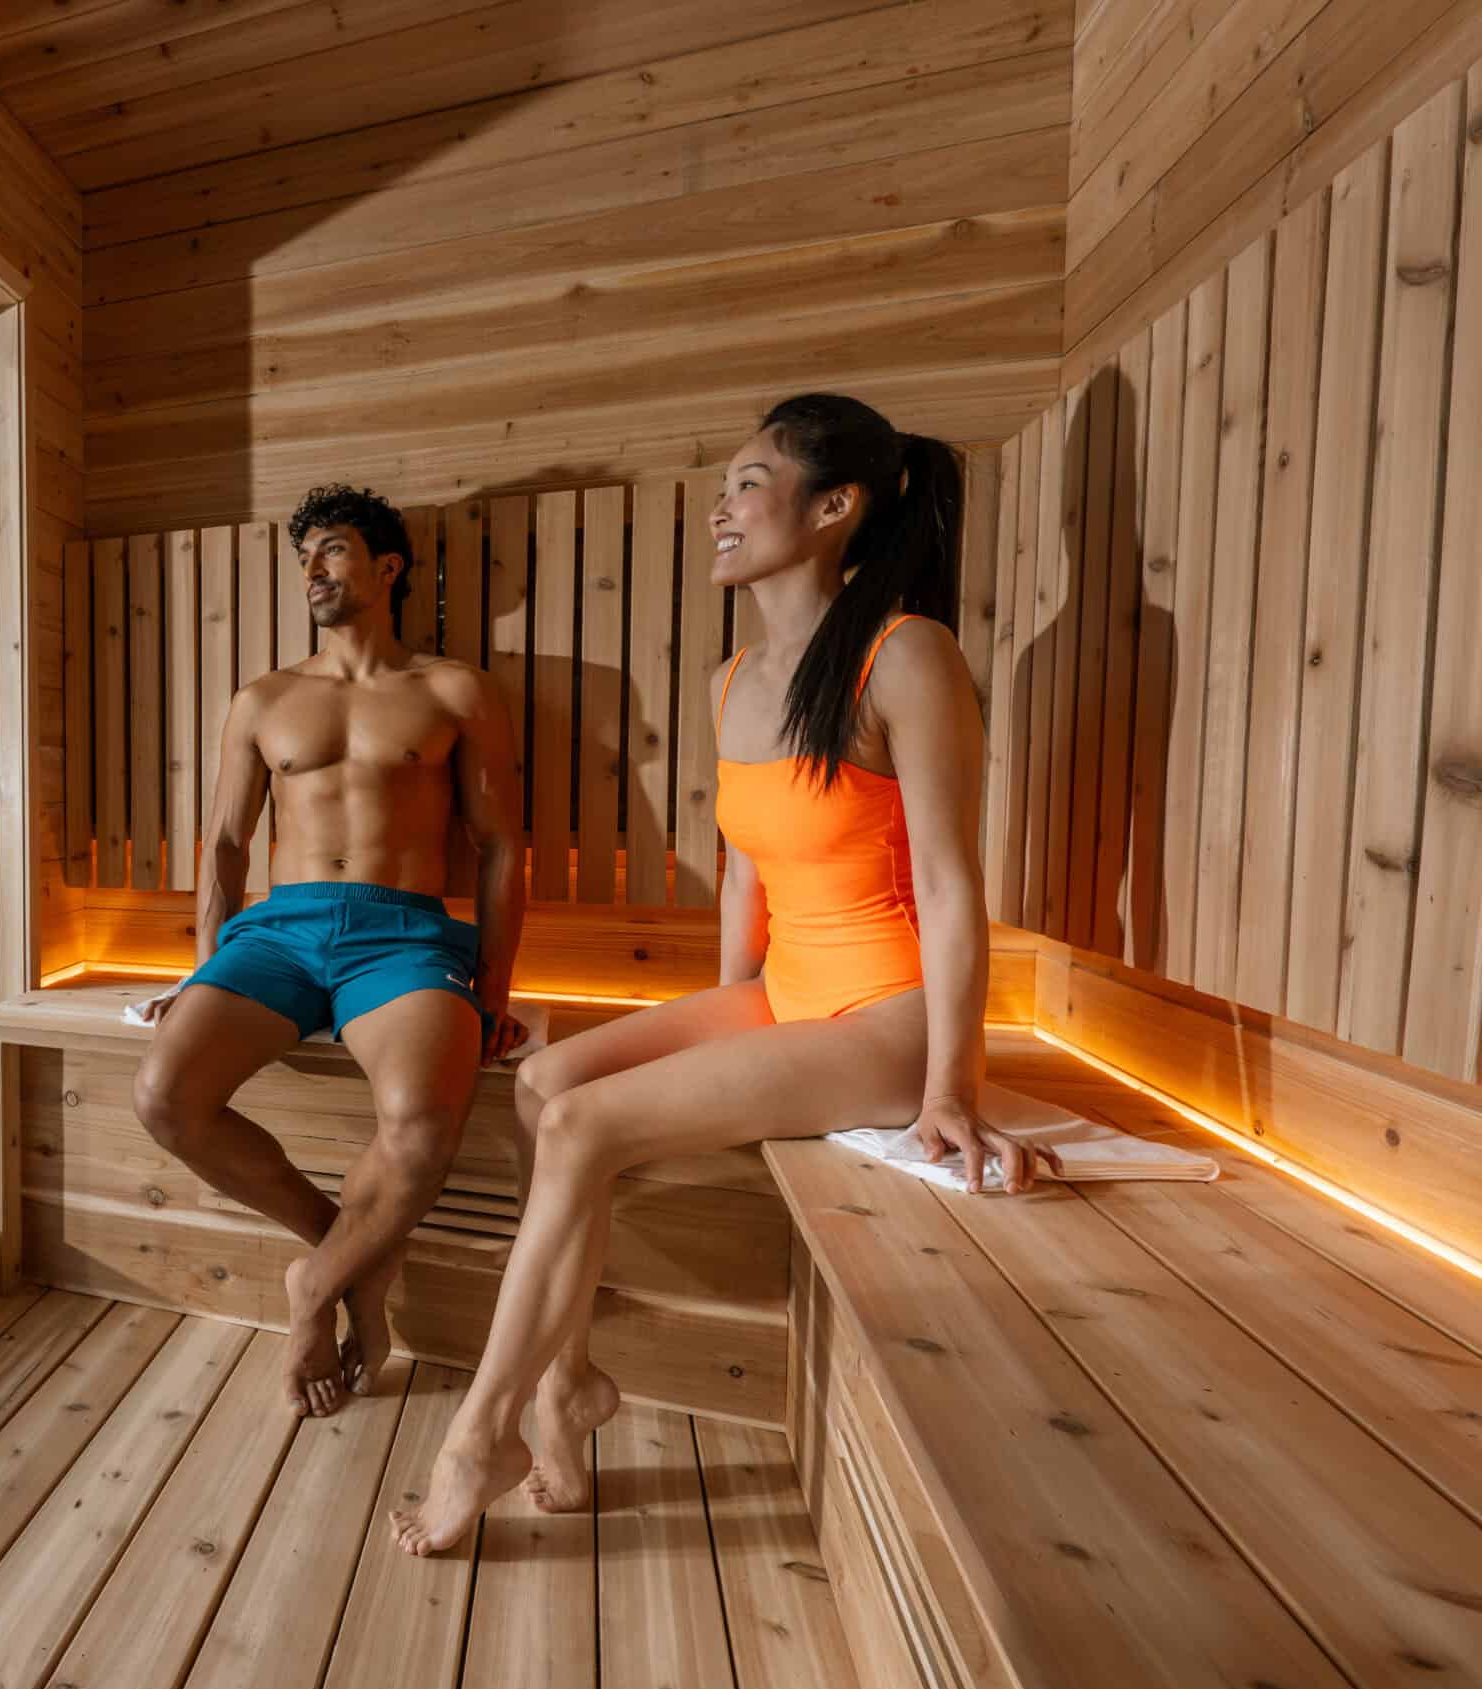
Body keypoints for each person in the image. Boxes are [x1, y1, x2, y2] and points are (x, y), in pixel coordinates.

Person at [389, 394, 1029, 1553]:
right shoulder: (731, 679)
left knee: (581, 1125)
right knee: (544, 1086)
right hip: (787, 992)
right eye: (724, 486)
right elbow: (747, 880)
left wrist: (952, 1089)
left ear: (833, 508)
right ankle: (569, 1384)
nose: (718, 509)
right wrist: (722, 1030)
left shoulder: (905, 654)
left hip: (889, 1013)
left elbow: (947, 886)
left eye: (747, 483)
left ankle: (481, 1434)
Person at [132, 483, 531, 1420]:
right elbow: (227, 847)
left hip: (403, 934)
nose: (313, 567)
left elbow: (502, 845)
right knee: (164, 1096)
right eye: (304, 553)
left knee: (424, 1127)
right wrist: (202, 969)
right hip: (276, 932)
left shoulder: (454, 689)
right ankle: (352, 1260)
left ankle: (312, 1286)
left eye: (334, 549)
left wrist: (492, 987)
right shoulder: (264, 698)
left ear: (387, 567)